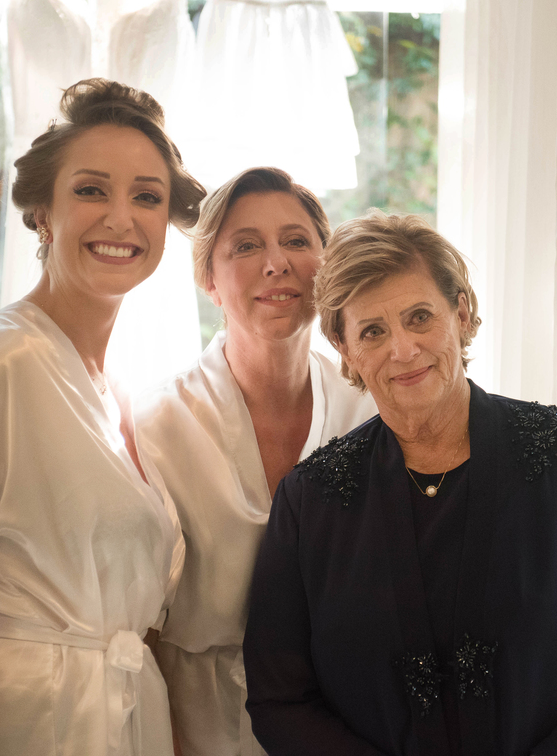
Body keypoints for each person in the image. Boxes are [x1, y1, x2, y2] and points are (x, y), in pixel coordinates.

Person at [0, 78, 207, 756]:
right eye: (91, 190)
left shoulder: (119, 387)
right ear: (43, 213)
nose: (121, 218)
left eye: (147, 197)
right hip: (30, 722)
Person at [243, 211, 557, 756]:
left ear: (461, 312)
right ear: (344, 346)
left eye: (419, 317)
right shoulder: (309, 501)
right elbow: (279, 698)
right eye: (373, 331)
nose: (403, 350)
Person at [133, 167, 378, 756]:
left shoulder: (370, 411)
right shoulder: (158, 426)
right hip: (202, 729)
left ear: (326, 264)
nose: (276, 263)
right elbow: (139, 632)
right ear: (209, 281)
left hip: (345, 726)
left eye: (296, 241)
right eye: (245, 246)